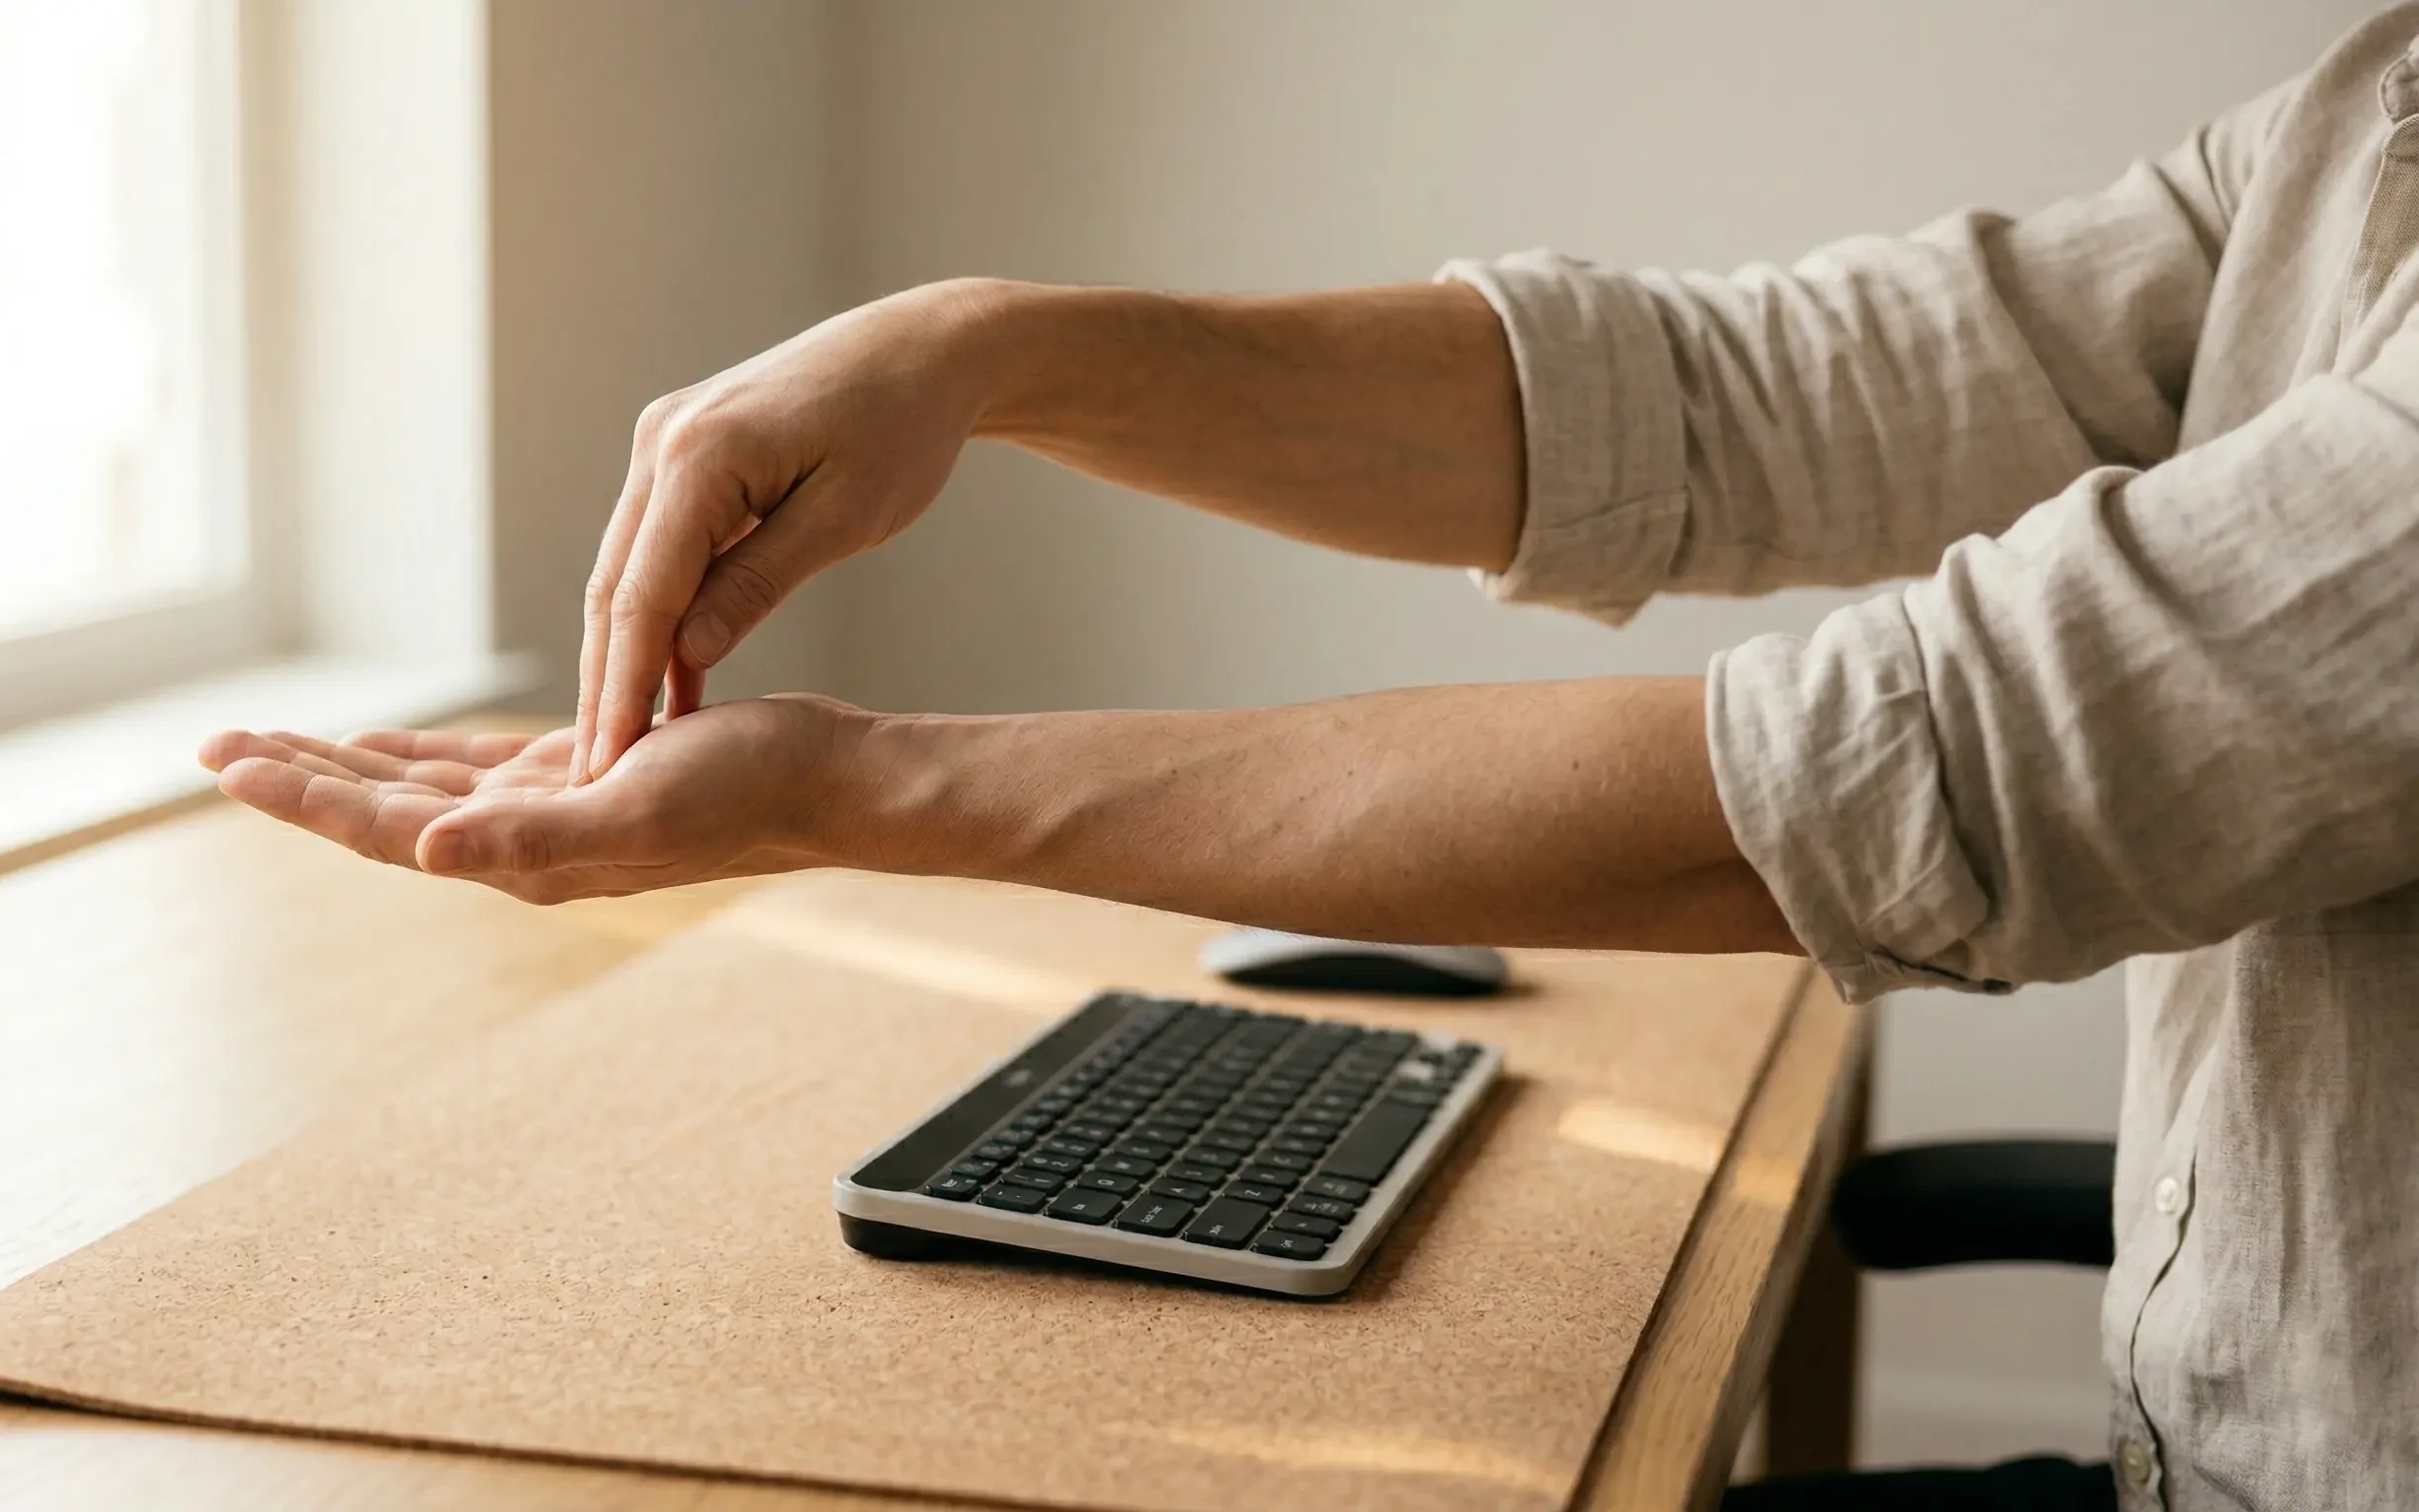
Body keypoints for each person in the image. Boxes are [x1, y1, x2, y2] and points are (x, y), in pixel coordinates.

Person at [201, 8, 2419, 1509]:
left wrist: (853, 791)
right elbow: (1729, 405)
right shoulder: (2363, 108)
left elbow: (1909, 774)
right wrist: (981, 350)